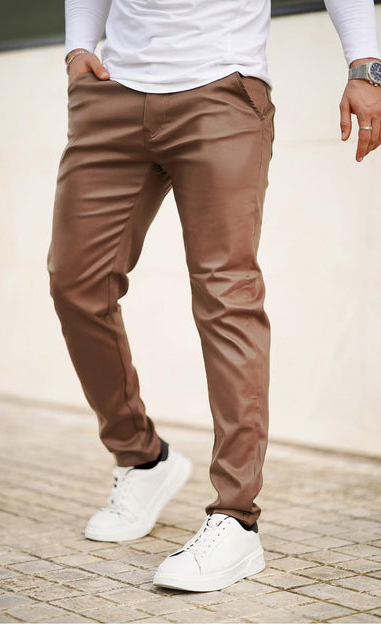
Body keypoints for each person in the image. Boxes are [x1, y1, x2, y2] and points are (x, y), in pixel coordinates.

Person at [47, 0, 381, 592]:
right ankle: (141, 458)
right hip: (112, 92)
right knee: (76, 282)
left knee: (227, 297)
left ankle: (236, 518)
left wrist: (366, 67)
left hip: (220, 90)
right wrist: (78, 48)